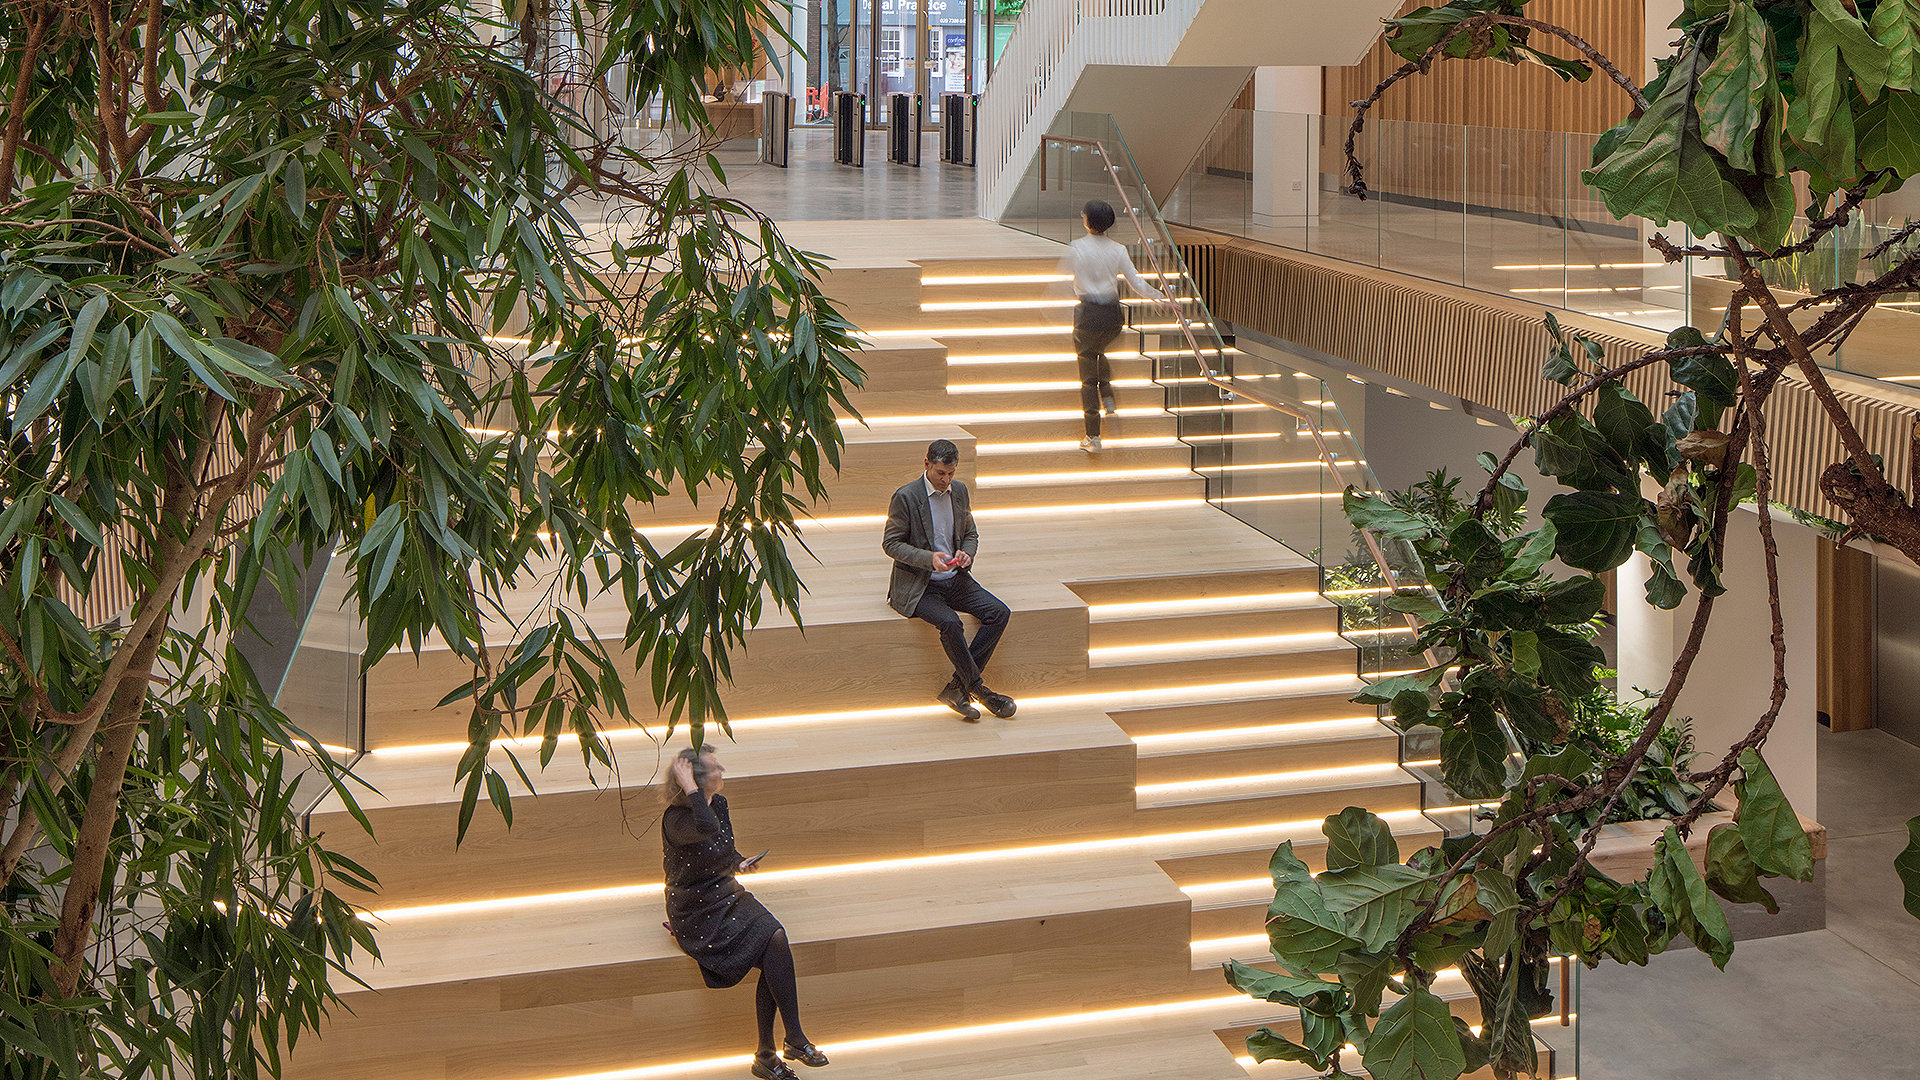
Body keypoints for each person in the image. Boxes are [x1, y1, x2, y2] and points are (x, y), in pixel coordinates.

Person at [662, 747, 828, 1080]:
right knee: (771, 944)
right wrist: (692, 790)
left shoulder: (719, 803)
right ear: (694, 780)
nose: (722, 770)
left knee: (775, 938)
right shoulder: (676, 819)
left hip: (725, 893)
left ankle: (777, 1048)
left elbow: (720, 846)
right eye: (714, 768)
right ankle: (782, 1046)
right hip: (696, 909)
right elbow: (707, 829)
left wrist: (737, 862)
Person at [882, 440, 1017, 722]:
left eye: (951, 474)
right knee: (950, 623)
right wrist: (927, 558)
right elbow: (891, 544)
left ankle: (957, 688)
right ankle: (980, 690)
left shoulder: (960, 492)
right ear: (927, 465)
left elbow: (971, 534)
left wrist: (967, 553)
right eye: (941, 473)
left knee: (999, 612)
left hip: (955, 578)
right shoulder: (906, 496)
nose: (946, 480)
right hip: (920, 585)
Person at [1066, 199, 1171, 453]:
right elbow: (1135, 282)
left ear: (1087, 220)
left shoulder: (1077, 247)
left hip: (1088, 314)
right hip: (1113, 316)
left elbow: (1065, 283)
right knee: (1099, 351)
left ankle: (1093, 436)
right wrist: (1160, 296)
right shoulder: (1118, 249)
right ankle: (1109, 394)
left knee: (1087, 377)